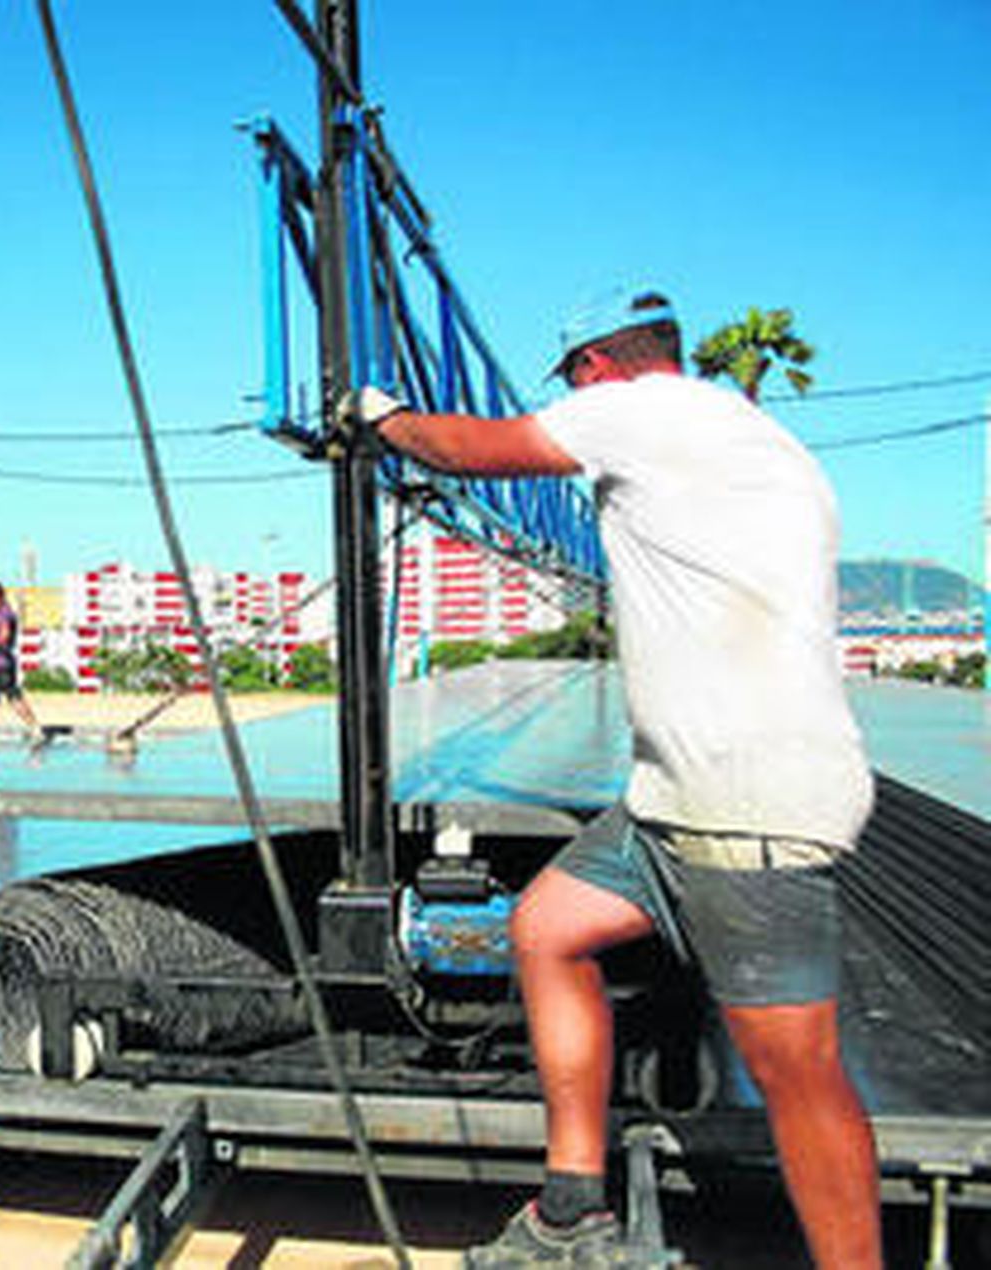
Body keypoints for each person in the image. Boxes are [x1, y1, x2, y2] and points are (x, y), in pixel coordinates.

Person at [348, 287, 880, 1269]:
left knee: (796, 1072)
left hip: (745, 804)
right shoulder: (752, 441)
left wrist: (381, 418)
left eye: (573, 382)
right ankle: (570, 1210)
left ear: (594, 366)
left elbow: (466, 448)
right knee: (547, 927)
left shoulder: (640, 411)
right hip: (668, 802)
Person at [0, 581, 44, 748]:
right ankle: (36, 729)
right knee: (14, 698)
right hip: (6, 663)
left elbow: (5, 635)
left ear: (1, 597)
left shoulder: (5, 614)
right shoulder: (3, 613)